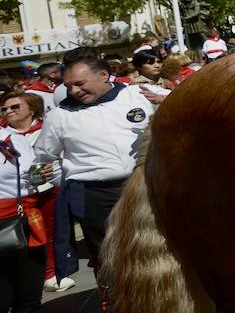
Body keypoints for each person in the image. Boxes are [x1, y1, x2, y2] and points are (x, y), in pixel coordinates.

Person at [33, 49, 156, 283]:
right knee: (112, 262)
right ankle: (117, 311)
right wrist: (39, 181)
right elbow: (40, 161)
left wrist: (165, 100)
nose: (73, 91)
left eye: (79, 83)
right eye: (67, 86)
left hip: (146, 186)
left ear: (104, 75)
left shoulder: (139, 95)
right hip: (95, 198)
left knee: (159, 249)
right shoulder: (59, 116)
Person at [0, 131, 79, 313]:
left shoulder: (13, 138)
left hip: (24, 220)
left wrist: (42, 174)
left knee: (28, 299)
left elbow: (35, 180)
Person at [0, 93, 69, 292]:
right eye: (5, 109)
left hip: (50, 189)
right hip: (21, 196)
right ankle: (43, 274)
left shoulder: (47, 128)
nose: (9, 112)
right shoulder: (5, 136)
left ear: (32, 109)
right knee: (24, 235)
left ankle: (55, 271)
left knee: (53, 231)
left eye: (15, 107)